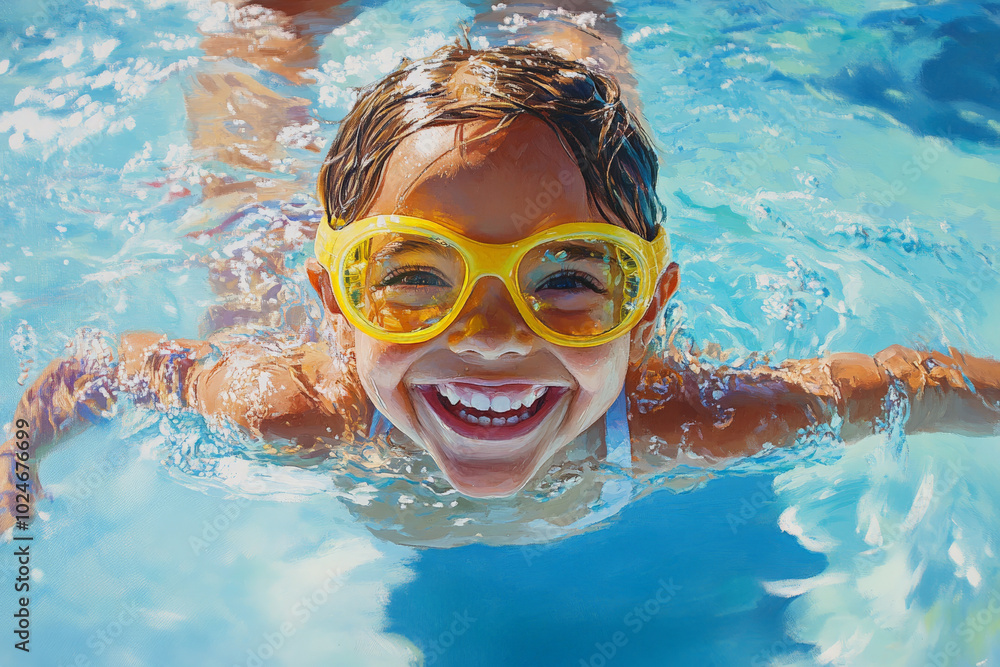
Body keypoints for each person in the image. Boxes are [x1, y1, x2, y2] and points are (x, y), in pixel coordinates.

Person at [3, 21, 1000, 532]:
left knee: (580, 83)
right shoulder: (290, 405)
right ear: (336, 303)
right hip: (273, 267)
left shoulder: (683, 415)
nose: (489, 335)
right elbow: (113, 368)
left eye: (567, 277)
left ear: (647, 309)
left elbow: (907, 384)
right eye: (414, 276)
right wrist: (14, 465)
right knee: (247, 147)